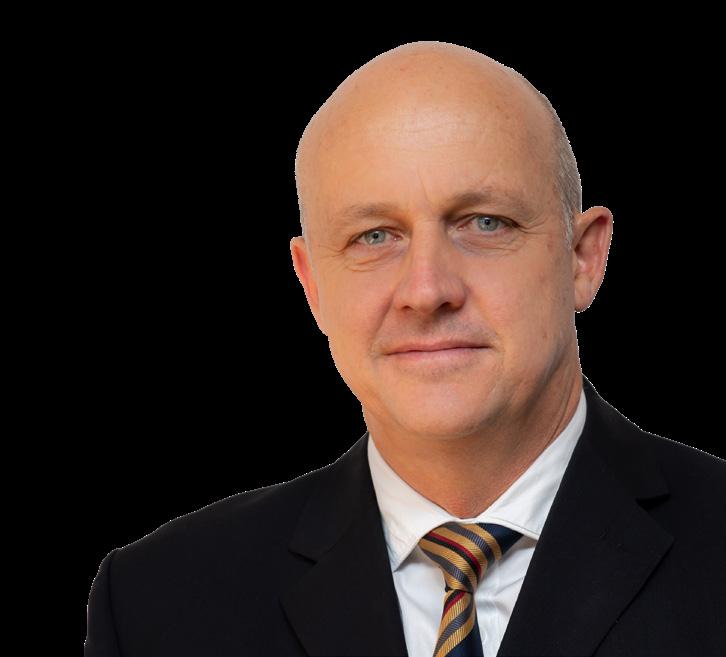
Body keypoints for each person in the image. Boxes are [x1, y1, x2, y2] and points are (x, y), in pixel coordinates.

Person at [85, 41, 726, 657]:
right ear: (312, 286)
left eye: (485, 223)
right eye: (374, 236)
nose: (426, 290)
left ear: (583, 257)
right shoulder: (155, 604)